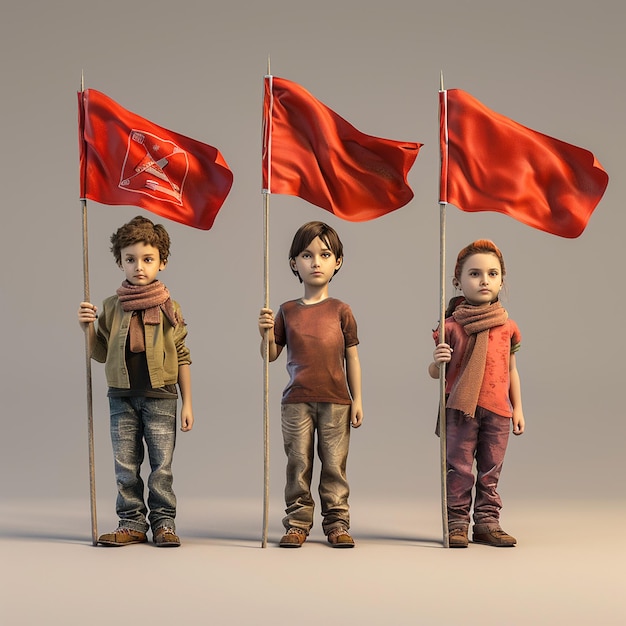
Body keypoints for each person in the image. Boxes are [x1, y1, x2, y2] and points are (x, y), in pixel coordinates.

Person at [77, 215, 193, 547]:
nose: (138, 267)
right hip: (121, 397)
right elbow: (99, 353)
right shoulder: (111, 307)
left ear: (162, 262)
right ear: (120, 262)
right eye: (130, 259)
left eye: (147, 259)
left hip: (162, 398)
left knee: (162, 468)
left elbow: (182, 354)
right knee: (125, 465)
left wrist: (188, 403)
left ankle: (164, 523)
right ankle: (131, 522)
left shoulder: (170, 307)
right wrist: (87, 328)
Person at [258, 221, 363, 548]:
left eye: (324, 254)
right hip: (296, 401)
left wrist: (357, 399)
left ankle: (336, 523)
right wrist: (264, 333)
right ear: (294, 263)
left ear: (338, 262)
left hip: (336, 401)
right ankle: (297, 523)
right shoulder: (287, 311)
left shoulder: (341, 310)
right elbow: (271, 356)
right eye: (307, 255)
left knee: (334, 466)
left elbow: (352, 358)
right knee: (298, 463)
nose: (316, 262)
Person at [428, 239, 524, 548]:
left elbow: (511, 370)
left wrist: (518, 408)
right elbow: (434, 374)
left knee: (491, 470)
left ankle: (487, 523)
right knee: (459, 468)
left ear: (501, 280)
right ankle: (456, 523)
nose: (484, 280)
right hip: (460, 409)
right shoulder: (450, 327)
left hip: (498, 410)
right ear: (458, 280)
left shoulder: (508, 326)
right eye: (475, 274)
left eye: (492, 274)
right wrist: (437, 361)